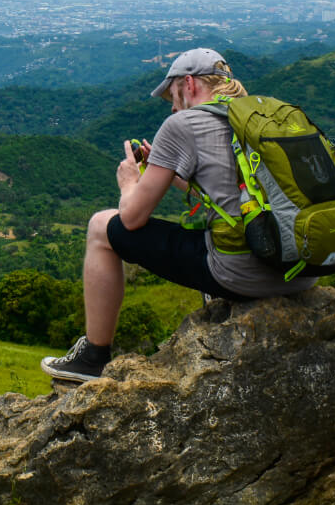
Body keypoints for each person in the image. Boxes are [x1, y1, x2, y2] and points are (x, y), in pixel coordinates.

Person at [41, 47, 314, 383]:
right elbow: (238, 197)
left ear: (189, 83)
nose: (171, 106)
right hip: (302, 270)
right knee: (210, 232)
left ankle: (92, 358)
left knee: (101, 226)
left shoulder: (182, 123)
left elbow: (131, 220)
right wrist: (169, 171)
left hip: (244, 275)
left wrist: (130, 182)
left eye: (172, 95)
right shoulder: (258, 118)